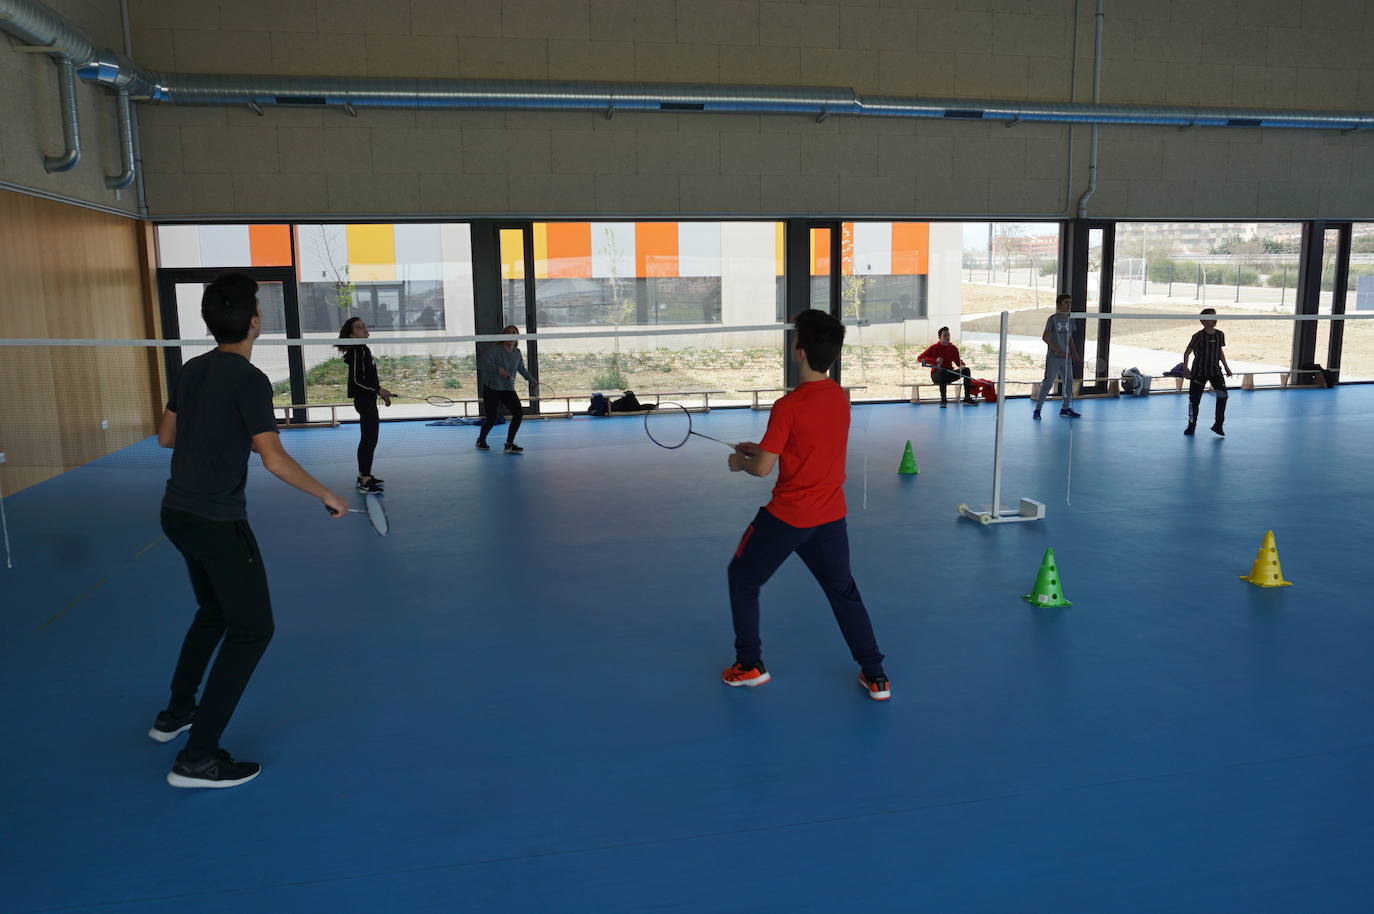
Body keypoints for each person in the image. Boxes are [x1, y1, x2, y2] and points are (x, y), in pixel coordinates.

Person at [150, 272, 347, 788]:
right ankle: (197, 758)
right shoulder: (249, 379)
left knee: (214, 611)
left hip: (177, 513)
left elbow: (165, 437)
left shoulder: (192, 369)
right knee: (253, 630)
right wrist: (326, 494)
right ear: (254, 322)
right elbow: (274, 459)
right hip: (216, 522)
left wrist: (209, 434)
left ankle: (176, 713)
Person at [722, 309, 890, 701]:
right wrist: (764, 448)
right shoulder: (840, 399)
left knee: (742, 578)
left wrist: (741, 461)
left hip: (788, 518)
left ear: (800, 352)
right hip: (830, 517)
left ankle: (749, 665)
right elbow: (810, 446)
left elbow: (762, 469)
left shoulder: (788, 405)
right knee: (843, 591)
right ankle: (876, 674)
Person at [337, 317, 393, 494]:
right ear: (352, 335)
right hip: (363, 400)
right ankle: (364, 480)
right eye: (359, 327)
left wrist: (380, 392)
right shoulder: (358, 351)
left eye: (364, 325)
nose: (364, 328)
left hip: (368, 399)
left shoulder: (363, 349)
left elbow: (368, 378)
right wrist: (378, 390)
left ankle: (364, 475)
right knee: (369, 440)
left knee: (370, 439)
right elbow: (356, 380)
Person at [476, 325, 532, 453]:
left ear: (517, 336)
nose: (511, 335)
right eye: (508, 332)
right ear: (503, 335)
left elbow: (521, 369)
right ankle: (481, 440)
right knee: (492, 418)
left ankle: (509, 444)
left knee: (518, 414)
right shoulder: (494, 350)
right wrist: (498, 369)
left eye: (514, 333)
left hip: (508, 389)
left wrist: (532, 381)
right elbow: (481, 364)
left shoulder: (517, 352)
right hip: (492, 388)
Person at [1182, 307, 1233, 437]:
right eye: (1210, 317)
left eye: (1215, 316)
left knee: (1223, 396)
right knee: (1194, 400)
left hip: (1215, 371)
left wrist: (1226, 367)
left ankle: (1218, 425)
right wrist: (1185, 368)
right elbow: (1187, 353)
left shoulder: (1220, 334)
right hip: (1199, 372)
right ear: (1203, 321)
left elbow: (1219, 351)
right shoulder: (1198, 336)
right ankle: (1191, 426)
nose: (1214, 319)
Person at [1032, 293, 1083, 420]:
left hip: (1067, 358)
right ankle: (1038, 410)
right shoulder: (1052, 319)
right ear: (1059, 305)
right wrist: (1059, 351)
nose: (1068, 305)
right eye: (1066, 303)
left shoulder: (1071, 319)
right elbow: (1046, 337)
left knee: (1069, 382)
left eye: (1070, 303)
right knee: (1048, 382)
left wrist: (1074, 352)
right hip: (1054, 358)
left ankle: (1065, 409)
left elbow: (1069, 338)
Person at [917, 325, 977, 407]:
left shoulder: (953, 348)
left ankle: (967, 398)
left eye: (948, 335)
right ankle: (943, 400)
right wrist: (934, 361)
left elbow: (958, 362)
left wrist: (962, 365)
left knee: (966, 370)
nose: (947, 337)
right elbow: (919, 358)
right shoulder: (933, 348)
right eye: (945, 335)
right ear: (939, 337)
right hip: (937, 375)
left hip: (949, 374)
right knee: (942, 371)